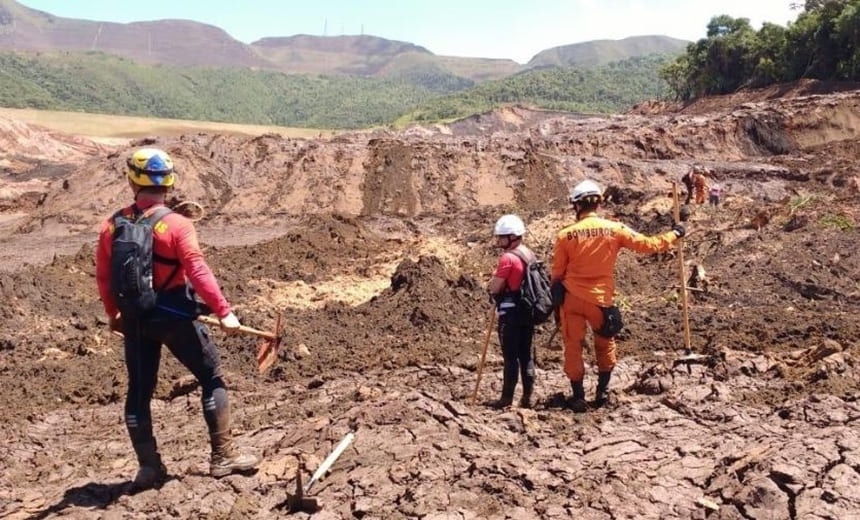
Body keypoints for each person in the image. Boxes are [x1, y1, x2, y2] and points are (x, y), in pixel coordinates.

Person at [95, 148, 260, 489]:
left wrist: (114, 314)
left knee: (139, 392)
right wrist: (224, 312)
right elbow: (197, 270)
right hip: (174, 315)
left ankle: (148, 468)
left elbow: (103, 276)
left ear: (131, 181)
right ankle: (223, 457)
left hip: (136, 319)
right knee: (211, 376)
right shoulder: (177, 225)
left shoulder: (112, 226)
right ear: (169, 182)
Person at [551, 180, 686, 413]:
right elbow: (648, 244)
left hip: (571, 299)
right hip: (601, 300)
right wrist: (675, 233)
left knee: (573, 347)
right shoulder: (615, 229)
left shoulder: (566, 235)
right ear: (599, 203)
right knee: (605, 344)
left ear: (576, 205)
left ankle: (578, 396)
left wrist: (556, 305)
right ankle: (602, 392)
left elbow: (556, 275)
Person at [486, 214, 538, 409]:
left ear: (511, 237)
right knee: (526, 355)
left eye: (501, 237)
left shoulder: (508, 258)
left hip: (511, 313)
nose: (499, 241)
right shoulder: (529, 254)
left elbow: (496, 287)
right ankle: (528, 398)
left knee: (510, 357)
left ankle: (506, 398)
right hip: (527, 312)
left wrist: (492, 284)